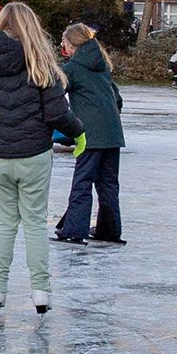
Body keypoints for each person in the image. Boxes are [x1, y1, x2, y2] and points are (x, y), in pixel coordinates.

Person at [0, 2, 86, 314]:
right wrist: (79, 133)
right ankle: (40, 291)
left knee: (4, 223)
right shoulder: (40, 65)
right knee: (34, 224)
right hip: (34, 156)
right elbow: (57, 112)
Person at [54, 22, 123, 245]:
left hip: (90, 134)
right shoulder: (102, 65)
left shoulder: (72, 68)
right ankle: (109, 230)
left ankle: (74, 229)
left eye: (63, 42)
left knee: (82, 181)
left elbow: (53, 94)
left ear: (72, 45)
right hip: (112, 134)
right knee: (108, 184)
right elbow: (117, 99)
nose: (62, 46)